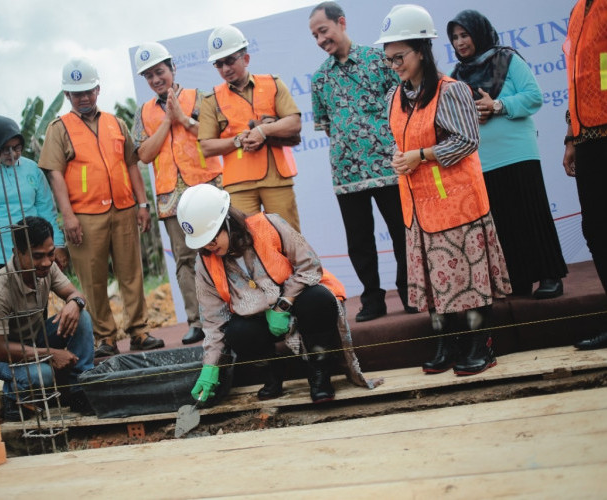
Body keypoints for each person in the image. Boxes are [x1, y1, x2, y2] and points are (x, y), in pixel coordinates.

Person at [376, 5, 512, 375]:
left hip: (456, 203)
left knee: (467, 279)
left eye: (400, 57)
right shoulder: (395, 97)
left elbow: (467, 141)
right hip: (418, 207)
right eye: (390, 60)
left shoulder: (451, 91)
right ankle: (448, 341)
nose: (395, 65)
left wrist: (420, 155)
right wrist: (399, 157)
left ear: (422, 50)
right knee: (437, 283)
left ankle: (480, 344)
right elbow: (399, 140)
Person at [177, 184, 377, 404]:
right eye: (202, 243)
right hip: (259, 321)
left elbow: (310, 265)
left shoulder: (269, 225)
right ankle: (272, 374)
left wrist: (283, 305)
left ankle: (320, 373)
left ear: (227, 220)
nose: (208, 246)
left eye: (212, 238)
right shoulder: (204, 263)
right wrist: (210, 367)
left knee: (318, 300)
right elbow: (214, 321)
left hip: (297, 304)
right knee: (237, 332)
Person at [39, 58, 164, 357]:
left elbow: (132, 164)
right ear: (67, 95)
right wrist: (67, 216)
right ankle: (105, 337)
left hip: (123, 210)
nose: (84, 98)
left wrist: (142, 204)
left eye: (88, 91)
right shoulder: (59, 129)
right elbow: (55, 174)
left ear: (98, 89)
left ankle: (139, 331)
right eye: (76, 93)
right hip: (83, 216)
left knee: (131, 273)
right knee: (92, 280)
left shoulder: (115, 122)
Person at [447, 10, 567, 299]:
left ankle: (550, 276)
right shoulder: (456, 76)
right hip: (482, 160)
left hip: (517, 153)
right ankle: (519, 278)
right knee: (504, 223)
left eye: (464, 35)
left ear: (479, 32)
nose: (460, 42)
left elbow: (533, 97)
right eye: (454, 38)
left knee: (531, 214)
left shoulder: (507, 58)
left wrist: (497, 106)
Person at [309, 2, 413, 322]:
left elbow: (402, 107)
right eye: (314, 35)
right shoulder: (319, 79)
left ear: (341, 23)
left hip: (388, 165)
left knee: (401, 230)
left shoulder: (379, 60)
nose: (320, 39)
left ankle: (411, 290)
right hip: (346, 172)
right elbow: (326, 126)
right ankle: (372, 298)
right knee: (359, 240)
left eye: (323, 30)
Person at [132, 42, 223, 345]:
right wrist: (167, 123)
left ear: (172, 68)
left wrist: (183, 118)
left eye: (160, 72)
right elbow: (143, 154)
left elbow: (213, 133)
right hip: (171, 195)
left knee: (219, 248)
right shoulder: (143, 112)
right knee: (184, 259)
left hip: (206, 185)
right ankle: (196, 321)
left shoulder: (199, 96)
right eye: (149, 76)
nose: (156, 79)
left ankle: (229, 312)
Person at [0, 216, 95, 419]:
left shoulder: (49, 267)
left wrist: (75, 303)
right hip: (4, 357)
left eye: (50, 254)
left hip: (36, 339)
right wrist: (51, 354)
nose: (46, 262)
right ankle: (12, 396)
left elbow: (75, 294)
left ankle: (79, 390)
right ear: (17, 253)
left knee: (81, 317)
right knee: (42, 376)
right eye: (37, 256)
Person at [198, 25, 302, 232]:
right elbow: (206, 146)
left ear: (245, 59)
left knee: (290, 240)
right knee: (251, 245)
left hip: (277, 179)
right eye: (219, 64)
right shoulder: (211, 99)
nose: (225, 69)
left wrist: (263, 131)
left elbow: (294, 122)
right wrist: (238, 140)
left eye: (230, 61)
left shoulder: (273, 84)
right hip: (238, 186)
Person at [0, 115, 66, 286]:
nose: (13, 154)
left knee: (36, 305)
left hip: (33, 252)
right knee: (2, 308)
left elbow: (47, 210)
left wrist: (58, 244)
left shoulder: (32, 168)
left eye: (17, 148)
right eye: (5, 149)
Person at [563, 0, 607, 350]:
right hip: (588, 136)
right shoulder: (579, 10)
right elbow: (579, 76)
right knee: (596, 229)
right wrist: (571, 137)